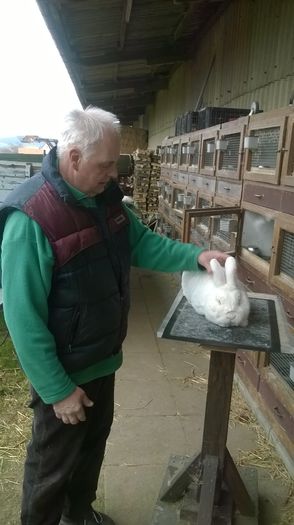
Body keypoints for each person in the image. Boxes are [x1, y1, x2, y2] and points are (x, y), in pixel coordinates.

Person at [0, 107, 228, 525]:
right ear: (73, 157)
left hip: (103, 358)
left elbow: (142, 245)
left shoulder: (106, 199)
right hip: (65, 371)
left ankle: (79, 514)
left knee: (91, 449)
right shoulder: (31, 216)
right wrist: (56, 390)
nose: (112, 173)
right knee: (51, 466)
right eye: (105, 165)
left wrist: (195, 256)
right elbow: (22, 317)